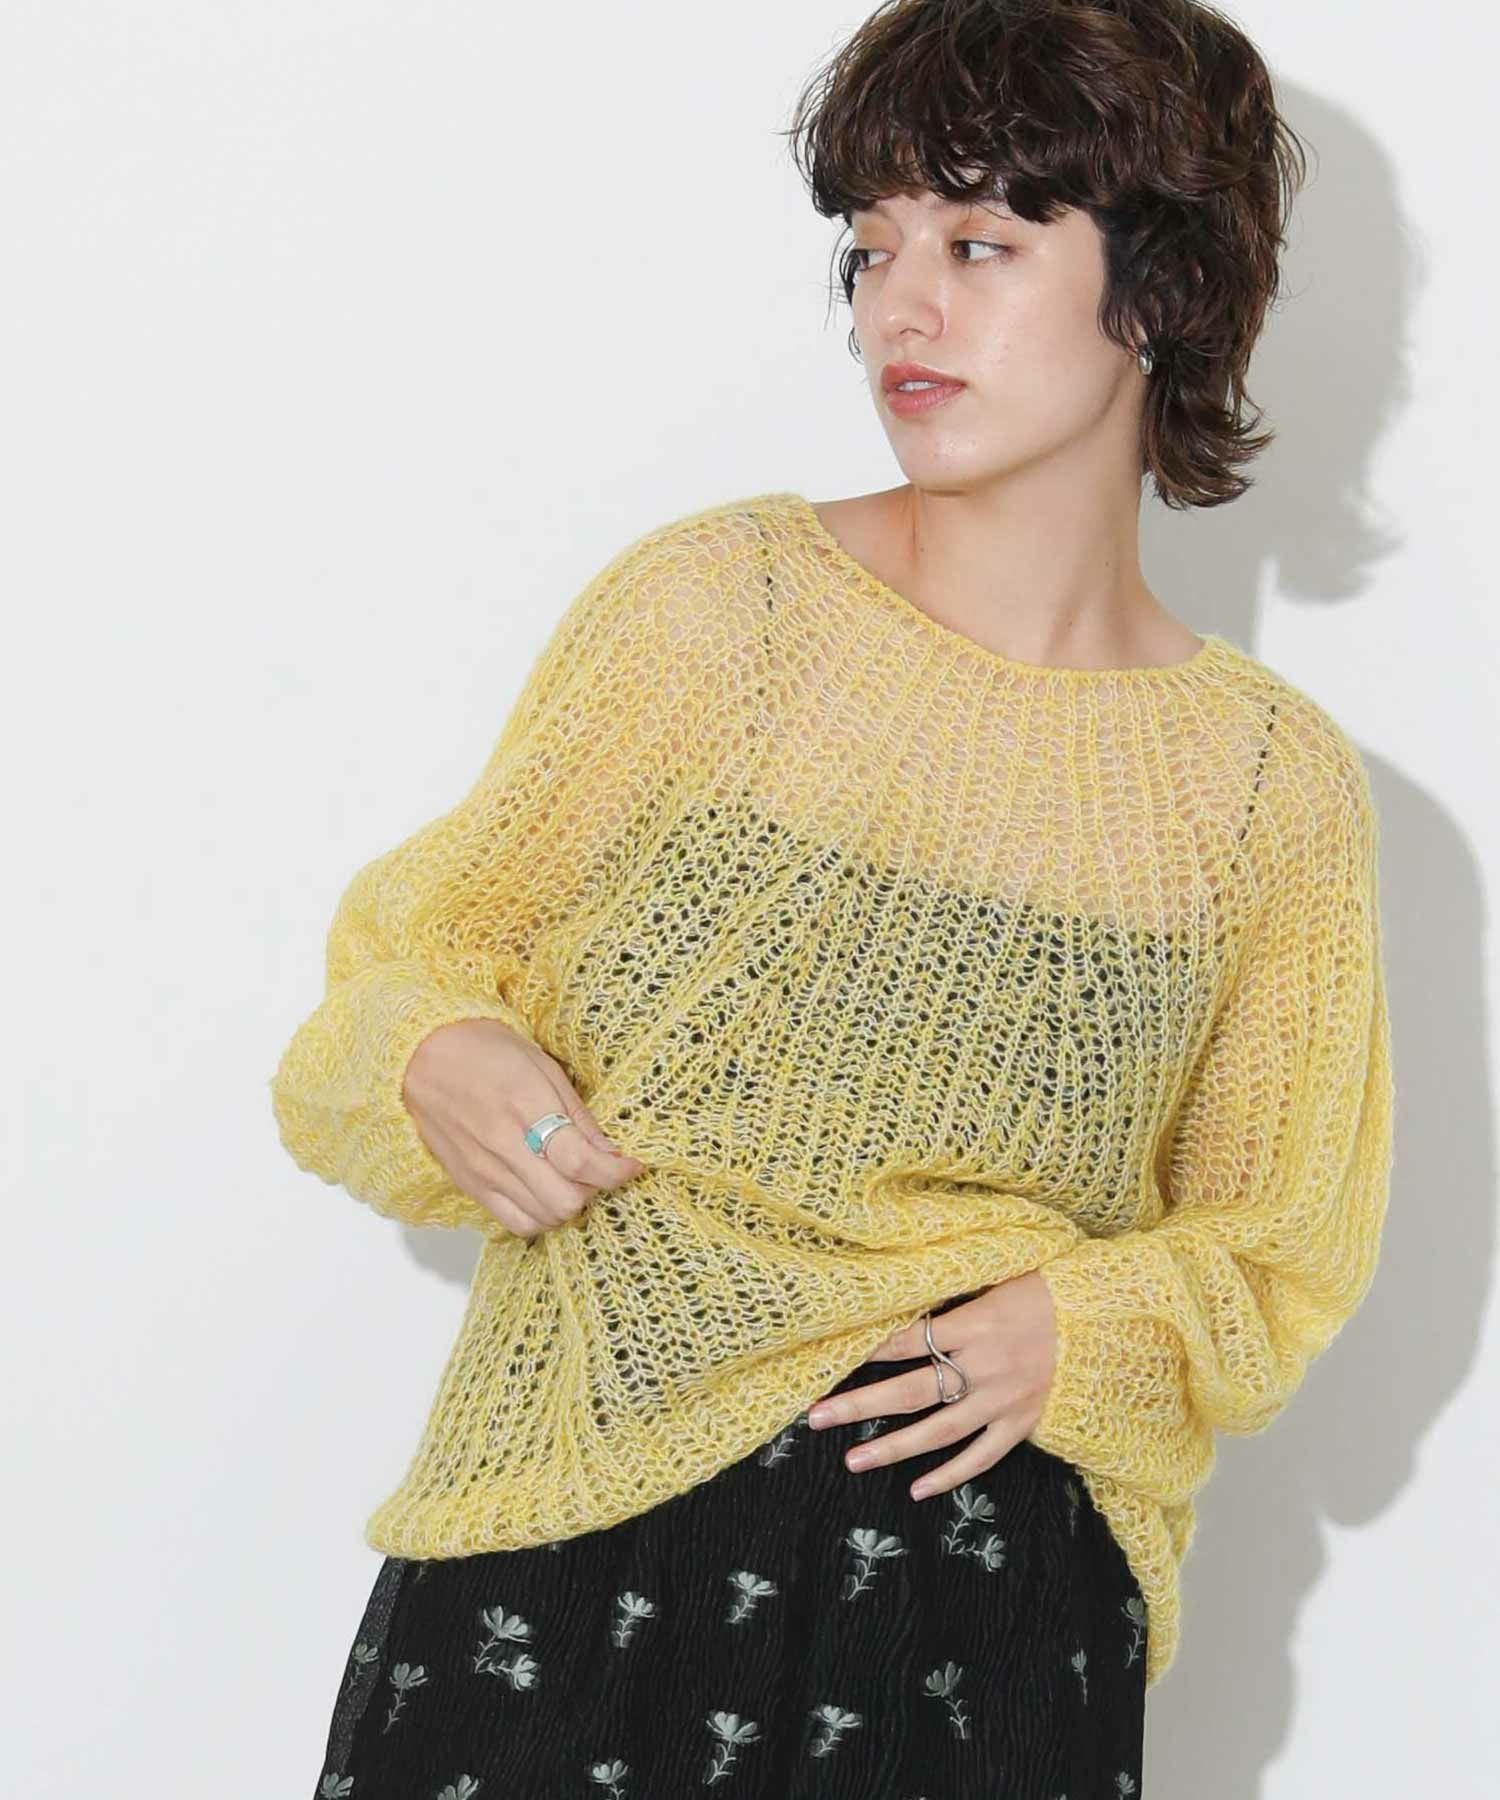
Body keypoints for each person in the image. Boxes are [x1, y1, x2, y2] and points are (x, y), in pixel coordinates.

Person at [274, 2, 1394, 1794]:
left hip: (985, 1592)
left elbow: (1278, 1248)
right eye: (872, 249)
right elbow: (400, 971)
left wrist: (1087, 1328)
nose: (897, 311)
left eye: (979, 245)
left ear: (1165, 288)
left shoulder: (1266, 786)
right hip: (574, 1543)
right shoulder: (719, 612)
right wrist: (436, 1050)